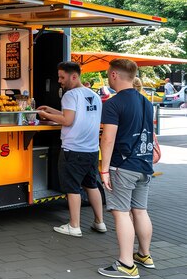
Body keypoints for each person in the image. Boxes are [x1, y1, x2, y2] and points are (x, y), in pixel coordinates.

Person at [97, 59, 155, 278]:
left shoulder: (113, 103)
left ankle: (126, 264)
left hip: (122, 166)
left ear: (114, 75)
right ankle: (144, 255)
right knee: (140, 211)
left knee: (121, 213)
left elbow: (108, 139)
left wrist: (104, 170)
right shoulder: (146, 102)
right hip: (144, 164)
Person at [37, 62, 106, 237]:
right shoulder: (93, 95)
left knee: (72, 188)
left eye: (62, 77)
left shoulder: (70, 95)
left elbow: (67, 121)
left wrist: (45, 115)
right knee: (91, 185)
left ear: (73, 76)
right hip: (91, 149)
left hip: (73, 149)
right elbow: (75, 115)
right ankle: (100, 222)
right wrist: (51, 110)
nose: (59, 81)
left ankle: (74, 225)